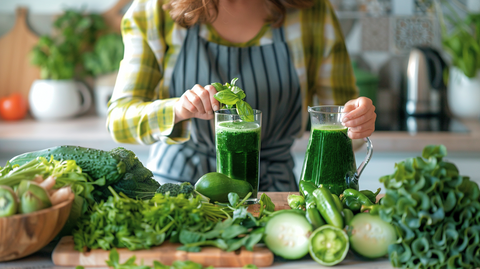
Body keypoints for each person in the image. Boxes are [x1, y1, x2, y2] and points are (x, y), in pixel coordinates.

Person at [107, 0, 377, 192]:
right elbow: (119, 120)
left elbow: (341, 120)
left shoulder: (312, 12)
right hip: (177, 190)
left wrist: (356, 119)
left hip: (273, 194)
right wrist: (177, 109)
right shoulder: (154, 9)